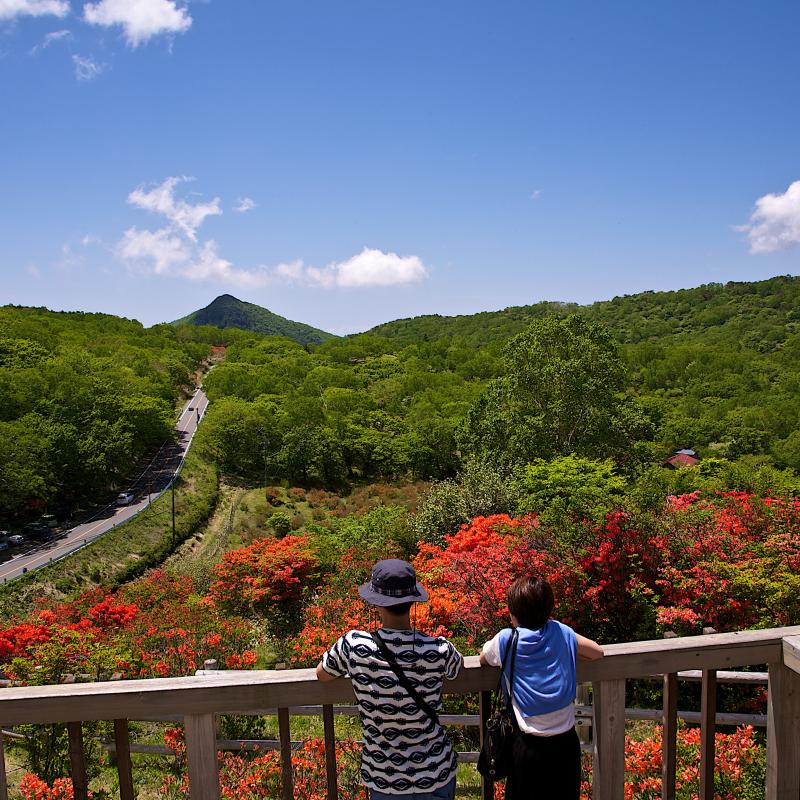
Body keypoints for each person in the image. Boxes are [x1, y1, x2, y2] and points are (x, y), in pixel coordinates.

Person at [317, 559, 463, 800]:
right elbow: (458, 671)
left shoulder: (354, 645)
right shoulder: (438, 649)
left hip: (386, 780)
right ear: (413, 602)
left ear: (375, 602)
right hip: (437, 773)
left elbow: (322, 674)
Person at [479, 576, 603, 799]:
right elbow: (596, 652)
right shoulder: (561, 632)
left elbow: (483, 659)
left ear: (512, 613)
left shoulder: (507, 639)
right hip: (566, 746)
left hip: (528, 747)